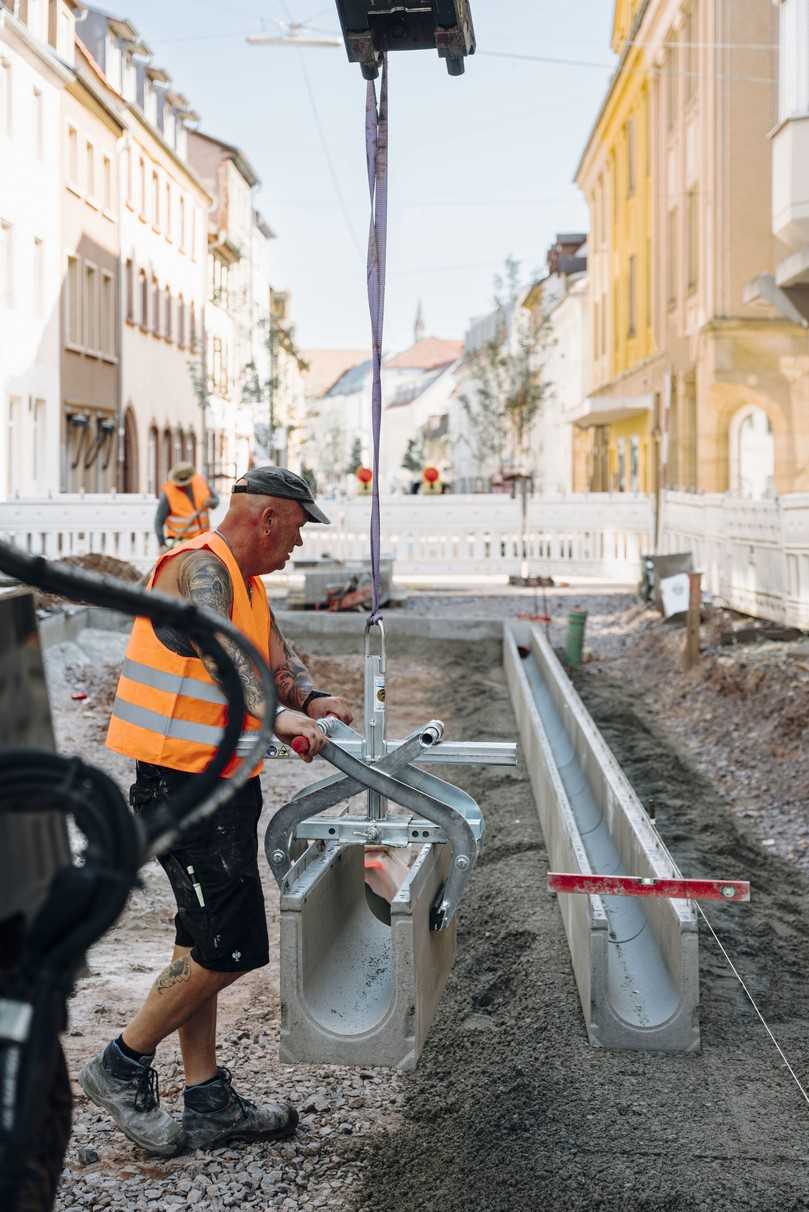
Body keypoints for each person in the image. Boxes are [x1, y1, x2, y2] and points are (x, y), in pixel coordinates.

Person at [79, 467, 353, 1158]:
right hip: (184, 786)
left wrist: (311, 699)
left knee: (198, 940)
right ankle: (121, 1064)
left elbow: (271, 654)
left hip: (223, 783)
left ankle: (206, 1101)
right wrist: (286, 717)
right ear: (267, 519)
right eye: (296, 527)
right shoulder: (199, 568)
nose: (297, 544)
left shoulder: (245, 582)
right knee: (229, 948)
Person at [155, 462, 219, 548]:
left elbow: (216, 501)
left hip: (203, 539)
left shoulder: (201, 482)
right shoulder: (168, 494)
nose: (183, 485)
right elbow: (158, 521)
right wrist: (162, 544)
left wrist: (212, 502)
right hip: (179, 542)